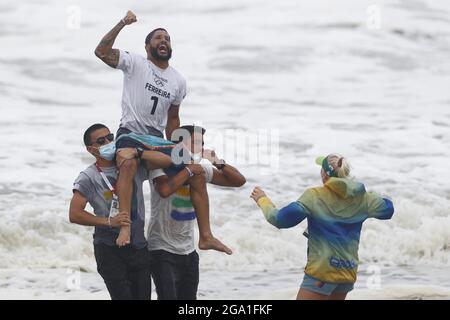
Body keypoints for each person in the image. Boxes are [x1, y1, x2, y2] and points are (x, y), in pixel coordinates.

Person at [94, 11, 228, 254]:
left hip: (156, 140)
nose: (163, 41)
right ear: (147, 47)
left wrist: (178, 148)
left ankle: (206, 236)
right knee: (127, 162)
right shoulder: (135, 62)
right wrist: (123, 23)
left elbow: (173, 118)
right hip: (130, 133)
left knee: (195, 169)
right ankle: (125, 225)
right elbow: (101, 52)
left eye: (167, 38)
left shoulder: (178, 80)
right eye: (158, 38)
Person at [250, 154, 394, 300]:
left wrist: (262, 200)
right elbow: (388, 210)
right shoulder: (363, 199)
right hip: (347, 272)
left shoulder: (314, 196)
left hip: (322, 273)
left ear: (324, 174)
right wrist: (367, 195)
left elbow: (280, 219)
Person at [148, 125, 246, 299]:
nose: (200, 147)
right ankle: (206, 236)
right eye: (196, 142)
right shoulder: (161, 165)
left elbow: (238, 181)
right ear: (178, 144)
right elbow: (164, 190)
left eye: (202, 143)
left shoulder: (198, 169)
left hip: (188, 252)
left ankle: (206, 237)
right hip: (162, 249)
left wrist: (217, 161)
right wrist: (188, 171)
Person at [69, 123, 154, 300]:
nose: (108, 142)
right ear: (91, 149)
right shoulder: (88, 177)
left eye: (110, 137)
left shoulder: (131, 164)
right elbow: (74, 214)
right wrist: (108, 222)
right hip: (108, 247)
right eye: (101, 141)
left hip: (138, 244)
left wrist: (138, 151)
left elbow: (167, 160)